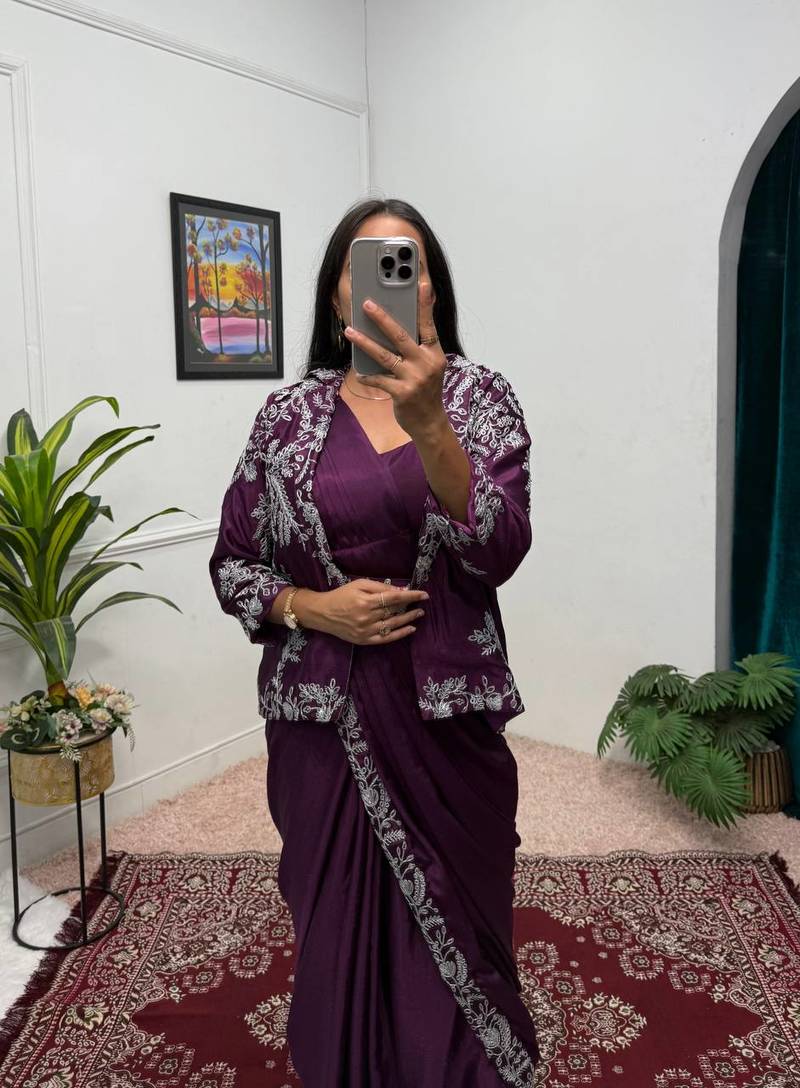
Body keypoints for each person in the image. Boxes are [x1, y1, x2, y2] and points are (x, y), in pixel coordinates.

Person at [209, 197, 540, 1086]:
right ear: (335, 296)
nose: (393, 280)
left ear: (434, 288)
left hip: (445, 724)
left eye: (410, 262)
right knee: (335, 931)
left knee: (463, 921)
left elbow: (501, 548)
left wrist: (430, 423)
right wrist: (313, 609)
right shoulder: (285, 416)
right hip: (323, 724)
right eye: (369, 264)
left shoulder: (480, 400)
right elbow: (234, 563)